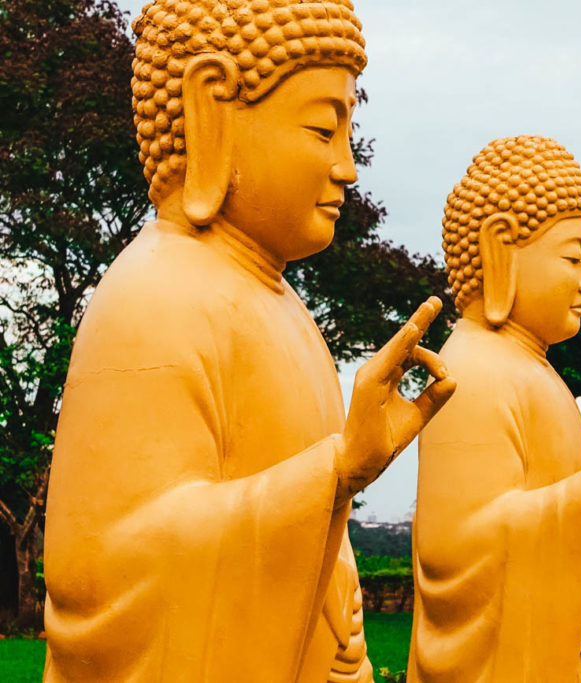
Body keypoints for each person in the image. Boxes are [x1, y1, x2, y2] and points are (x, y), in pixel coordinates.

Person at [43, 1, 454, 680]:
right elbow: (103, 579)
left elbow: (303, 525)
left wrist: (337, 594)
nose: (347, 167)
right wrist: (336, 468)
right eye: (323, 129)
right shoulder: (154, 298)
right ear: (212, 110)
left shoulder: (289, 313)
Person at [410, 136, 581, 682]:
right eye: (573, 256)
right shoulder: (473, 371)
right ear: (499, 247)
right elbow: (459, 555)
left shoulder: (537, 374)